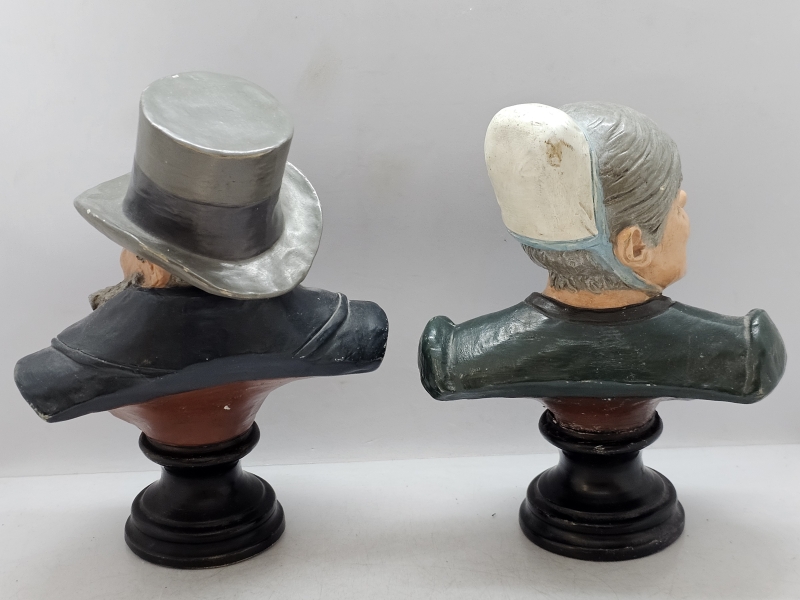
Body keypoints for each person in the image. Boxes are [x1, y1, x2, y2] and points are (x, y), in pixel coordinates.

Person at [15, 72, 388, 425]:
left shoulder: (67, 368)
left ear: (154, 268)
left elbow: (45, 384)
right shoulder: (350, 326)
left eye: (127, 245)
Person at [418, 102, 785, 404]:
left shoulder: (455, 354)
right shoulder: (744, 353)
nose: (686, 214)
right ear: (635, 247)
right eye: (677, 207)